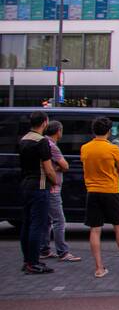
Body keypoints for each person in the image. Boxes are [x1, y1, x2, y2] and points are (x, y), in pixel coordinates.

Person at [81, 116, 119, 278]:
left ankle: (99, 268)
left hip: (92, 191)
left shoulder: (85, 148)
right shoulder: (113, 149)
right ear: (109, 131)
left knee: (95, 230)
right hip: (111, 191)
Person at [18, 110, 58, 274]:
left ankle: (27, 260)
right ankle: (34, 262)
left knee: (26, 223)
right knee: (38, 225)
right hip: (40, 185)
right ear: (44, 123)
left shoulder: (23, 139)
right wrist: (54, 181)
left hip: (26, 183)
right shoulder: (41, 142)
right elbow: (48, 169)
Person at [39, 121, 80, 263]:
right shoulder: (52, 146)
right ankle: (63, 251)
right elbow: (65, 165)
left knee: (47, 220)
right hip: (53, 187)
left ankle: (44, 249)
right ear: (58, 131)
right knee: (59, 220)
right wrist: (57, 169)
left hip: (44, 187)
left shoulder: (42, 143)